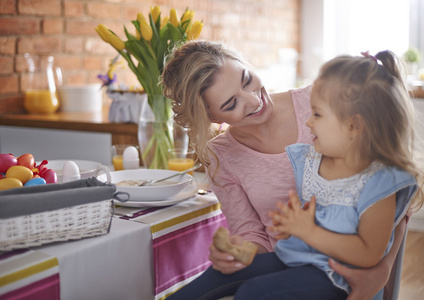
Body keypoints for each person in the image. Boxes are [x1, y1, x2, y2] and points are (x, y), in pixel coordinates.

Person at [161, 41, 418, 299]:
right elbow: (253, 234)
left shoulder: (326, 104)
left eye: (247, 79)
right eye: (231, 104)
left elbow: (391, 192)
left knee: (252, 293)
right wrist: (237, 251)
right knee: (205, 285)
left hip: (336, 272)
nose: (253, 100)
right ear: (212, 117)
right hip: (288, 258)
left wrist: (382, 269)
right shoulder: (223, 154)